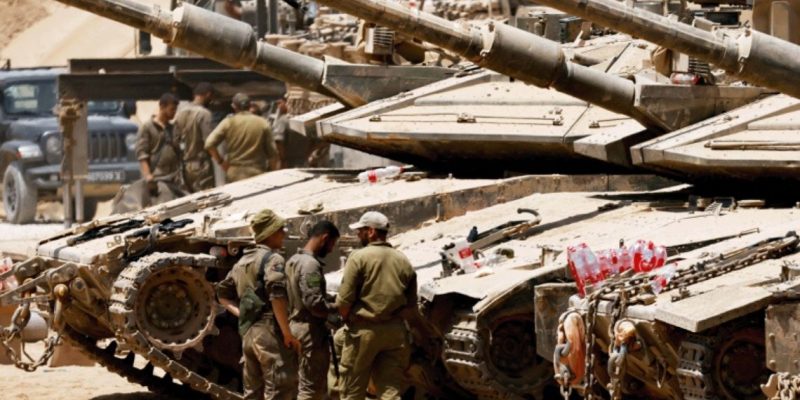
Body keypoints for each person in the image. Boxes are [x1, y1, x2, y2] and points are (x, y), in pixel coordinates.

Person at [216, 209, 301, 400]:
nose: (284, 234)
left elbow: (222, 295)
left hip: (248, 332)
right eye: (280, 230)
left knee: (253, 391)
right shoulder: (273, 259)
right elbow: (276, 296)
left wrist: (241, 313)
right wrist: (287, 333)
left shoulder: (241, 262)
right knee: (280, 387)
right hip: (270, 332)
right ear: (270, 233)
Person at [336, 211, 417, 400]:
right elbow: (411, 306)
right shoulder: (403, 259)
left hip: (363, 331)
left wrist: (347, 318)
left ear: (371, 231)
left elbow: (344, 301)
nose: (358, 234)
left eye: (361, 230)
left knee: (352, 390)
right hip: (395, 333)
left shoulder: (358, 257)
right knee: (390, 391)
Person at [285, 220, 341, 400]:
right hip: (310, 332)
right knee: (312, 389)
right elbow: (314, 304)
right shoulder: (311, 265)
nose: (331, 249)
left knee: (299, 385)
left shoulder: (293, 260)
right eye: (332, 243)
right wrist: (337, 308)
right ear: (325, 238)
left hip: (294, 327)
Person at [205, 92, 280, 183]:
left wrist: (221, 162)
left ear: (234, 106)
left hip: (234, 173)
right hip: (257, 172)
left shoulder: (228, 122)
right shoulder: (262, 122)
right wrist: (272, 174)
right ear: (249, 105)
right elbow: (273, 153)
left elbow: (209, 144)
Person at [174, 82, 215, 192]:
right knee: (206, 196)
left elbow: (175, 140)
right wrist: (220, 160)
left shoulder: (179, 113)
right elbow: (209, 142)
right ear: (208, 94)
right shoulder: (205, 114)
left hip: (185, 166)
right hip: (201, 165)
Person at [135, 92, 181, 185]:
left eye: (175, 110)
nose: (174, 112)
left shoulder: (173, 128)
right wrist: (148, 176)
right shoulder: (147, 127)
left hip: (174, 178)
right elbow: (142, 154)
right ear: (162, 107)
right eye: (172, 109)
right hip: (157, 178)